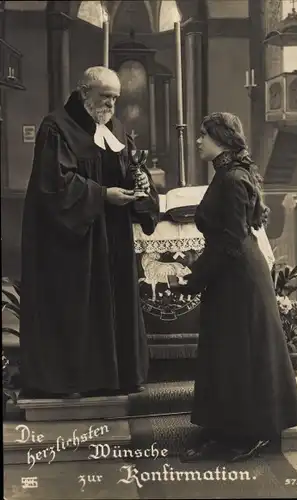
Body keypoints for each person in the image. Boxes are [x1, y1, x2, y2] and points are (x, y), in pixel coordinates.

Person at [19, 66, 159, 399]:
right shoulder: (56, 127)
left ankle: (118, 376)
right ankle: (74, 381)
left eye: (115, 98)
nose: (110, 105)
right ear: (84, 94)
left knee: (114, 304)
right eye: (104, 97)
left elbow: (128, 171)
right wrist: (102, 195)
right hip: (73, 243)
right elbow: (55, 185)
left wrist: (139, 185)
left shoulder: (116, 129)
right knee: (77, 306)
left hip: (112, 238)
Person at [174, 112, 297, 462]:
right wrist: (200, 274)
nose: (198, 140)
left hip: (238, 278)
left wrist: (195, 278)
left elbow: (231, 240)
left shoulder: (231, 178)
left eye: (203, 134)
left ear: (220, 137)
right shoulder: (229, 174)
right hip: (232, 274)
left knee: (237, 355)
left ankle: (244, 436)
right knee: (228, 354)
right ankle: (223, 430)